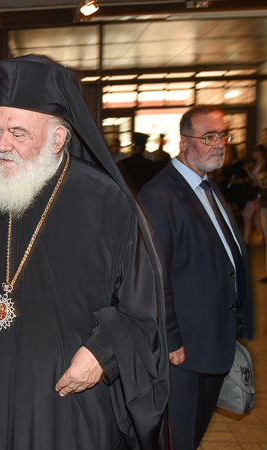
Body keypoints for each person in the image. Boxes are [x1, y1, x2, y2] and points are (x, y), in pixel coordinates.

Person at [0, 55, 168, 450]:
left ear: (58, 138)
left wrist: (102, 353)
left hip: (71, 400)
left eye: (18, 133)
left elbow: (142, 308)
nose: (1, 145)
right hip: (0, 392)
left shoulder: (107, 202)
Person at [138, 105, 254, 450]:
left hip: (215, 339)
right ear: (184, 142)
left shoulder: (209, 186)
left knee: (195, 433)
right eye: (209, 137)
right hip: (184, 349)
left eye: (223, 136)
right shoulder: (159, 195)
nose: (219, 144)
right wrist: (171, 340)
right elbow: (155, 276)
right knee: (178, 438)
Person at [242, 143, 267, 245]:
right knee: (249, 214)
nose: (252, 154)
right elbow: (255, 179)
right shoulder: (257, 164)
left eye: (254, 151)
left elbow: (261, 180)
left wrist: (259, 180)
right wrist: (248, 171)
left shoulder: (264, 164)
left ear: (260, 153)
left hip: (260, 192)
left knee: (259, 214)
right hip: (256, 192)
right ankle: (247, 238)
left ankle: (260, 238)